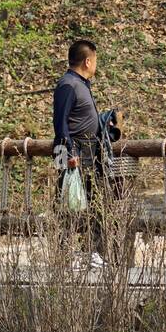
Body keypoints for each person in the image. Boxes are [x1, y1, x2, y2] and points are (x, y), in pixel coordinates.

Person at [53, 39, 107, 269]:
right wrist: (70, 153)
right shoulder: (68, 85)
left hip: (87, 154)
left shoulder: (81, 84)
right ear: (87, 61)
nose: (96, 65)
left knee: (92, 204)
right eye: (95, 60)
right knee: (68, 205)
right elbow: (60, 123)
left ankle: (91, 252)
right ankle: (67, 254)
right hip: (72, 154)